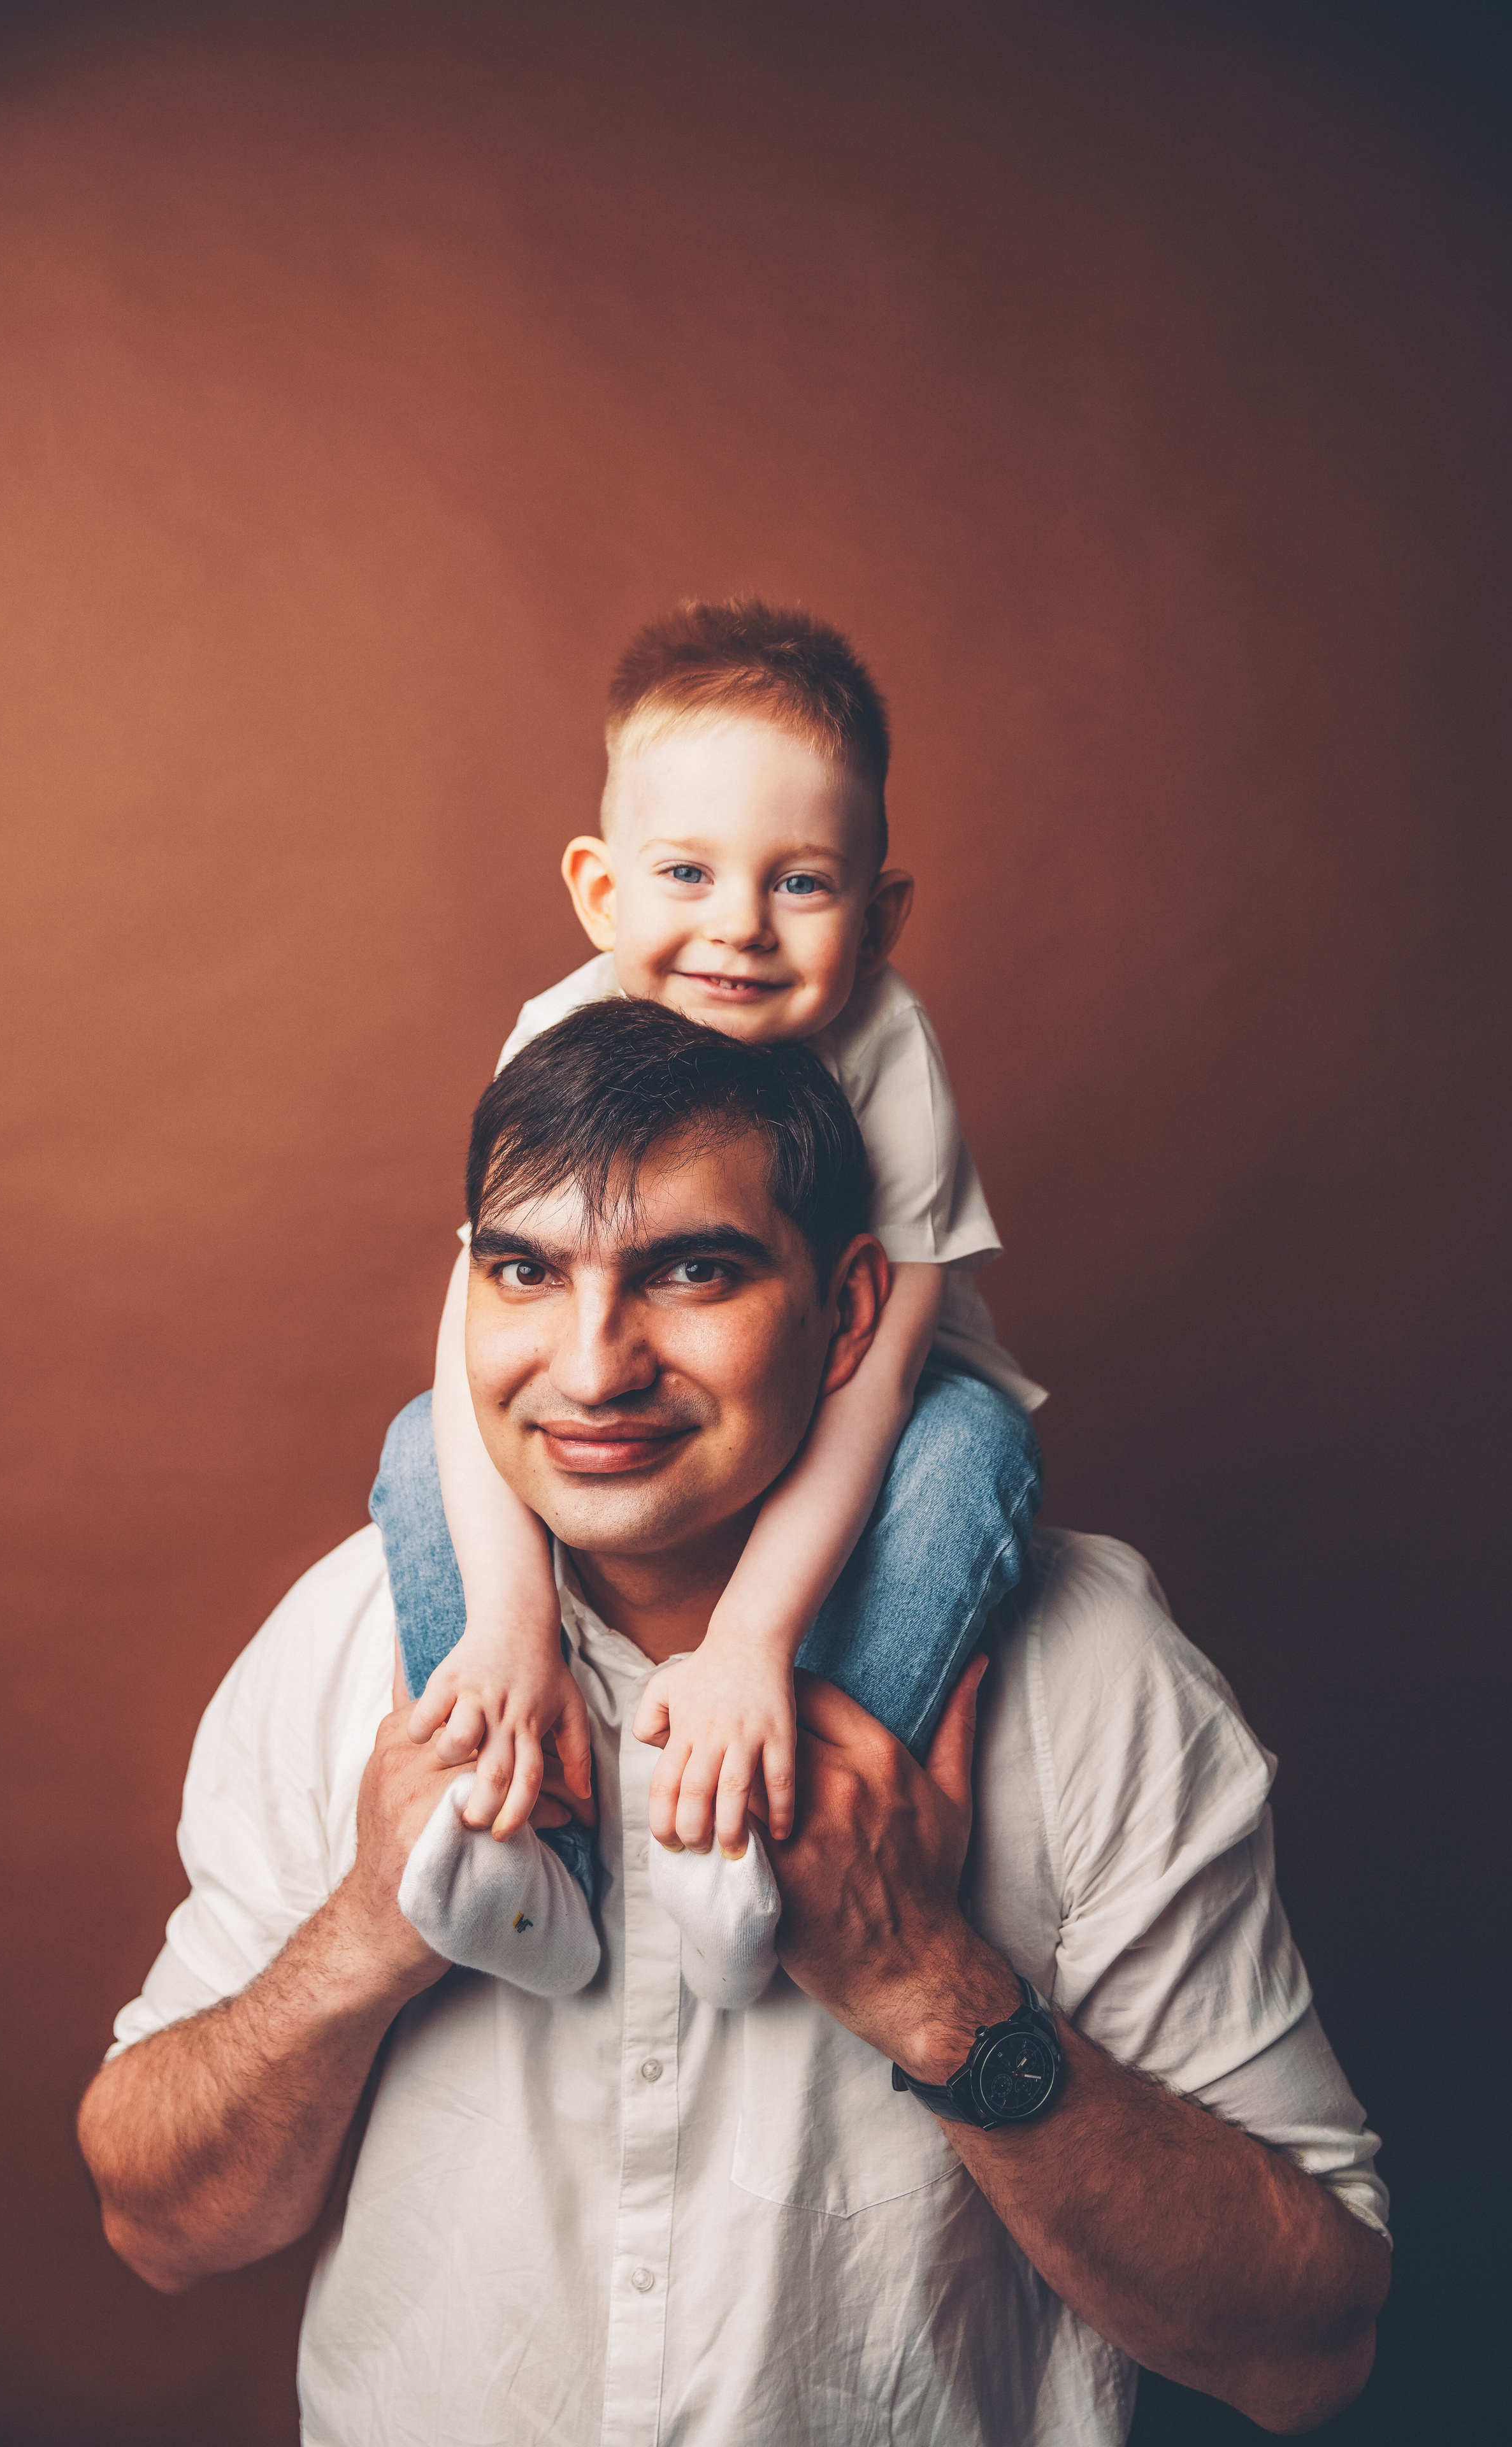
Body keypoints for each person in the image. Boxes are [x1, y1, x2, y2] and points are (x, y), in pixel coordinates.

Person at [78, 1000, 1390, 2447]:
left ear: (846, 1311)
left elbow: (1307, 2349)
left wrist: (927, 1986)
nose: (592, 1368)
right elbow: (155, 2222)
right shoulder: (349, 1638)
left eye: (691, 1271)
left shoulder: (1088, 1670)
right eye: (525, 1271)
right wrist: (367, 1935)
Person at [375, 596, 1044, 2007]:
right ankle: (515, 1826)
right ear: (601, 890)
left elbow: (877, 1374)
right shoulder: (557, 1036)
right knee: (414, 1442)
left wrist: (749, 1643)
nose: (737, 927)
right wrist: (510, 1626)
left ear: (878, 916)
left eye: (800, 884)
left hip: (872, 1395)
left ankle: (768, 1826)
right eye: (685, 873)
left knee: (975, 1451)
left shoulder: (886, 1046)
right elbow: (479, 1310)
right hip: (688, 1417)